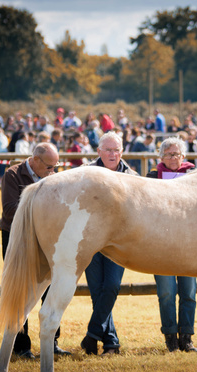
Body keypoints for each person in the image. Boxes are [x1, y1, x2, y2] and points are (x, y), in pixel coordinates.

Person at [1, 143, 70, 358]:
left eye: (55, 167)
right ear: (35, 160)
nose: (53, 171)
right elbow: (10, 210)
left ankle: (52, 341)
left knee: (52, 287)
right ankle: (21, 346)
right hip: (18, 237)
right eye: (49, 166)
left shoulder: (53, 177)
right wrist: (44, 210)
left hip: (47, 238)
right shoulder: (13, 175)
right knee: (23, 288)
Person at [80, 132, 138, 356]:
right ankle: (111, 343)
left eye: (116, 150)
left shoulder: (131, 176)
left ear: (122, 152)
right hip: (92, 242)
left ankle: (93, 335)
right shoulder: (87, 174)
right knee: (97, 292)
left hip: (118, 243)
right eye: (108, 150)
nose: (113, 154)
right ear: (99, 152)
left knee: (112, 286)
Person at [146, 137, 197, 352]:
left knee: (189, 293)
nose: (173, 158)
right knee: (166, 293)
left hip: (190, 243)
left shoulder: (195, 175)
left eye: (176, 154)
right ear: (161, 157)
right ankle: (170, 338)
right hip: (161, 244)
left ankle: (187, 337)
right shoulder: (151, 178)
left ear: (183, 156)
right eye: (168, 154)